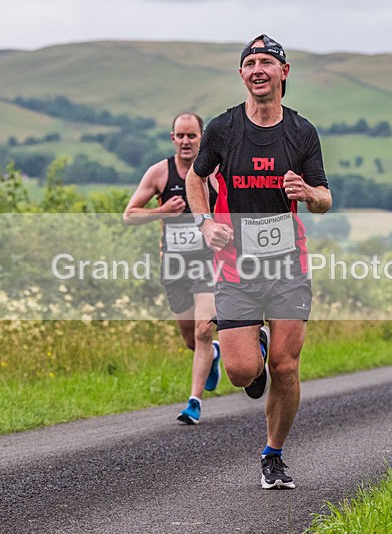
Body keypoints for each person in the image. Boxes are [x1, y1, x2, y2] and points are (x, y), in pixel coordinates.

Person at [185, 34, 331, 489]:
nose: (258, 69)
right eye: (250, 62)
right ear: (242, 75)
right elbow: (196, 177)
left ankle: (273, 454)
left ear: (284, 72)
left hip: (288, 262)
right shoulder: (223, 129)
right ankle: (257, 348)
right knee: (242, 372)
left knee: (287, 369)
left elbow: (324, 198)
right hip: (236, 266)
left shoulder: (302, 132)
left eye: (267, 61)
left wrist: (308, 194)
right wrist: (205, 223)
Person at [123, 112, 222, 425]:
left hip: (208, 263)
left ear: (201, 138)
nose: (185, 142)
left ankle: (193, 402)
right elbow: (130, 214)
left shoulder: (215, 172)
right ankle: (215, 355)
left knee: (204, 330)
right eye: (180, 136)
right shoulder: (160, 173)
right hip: (175, 266)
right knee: (191, 340)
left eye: (191, 136)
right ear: (172, 138)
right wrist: (162, 210)